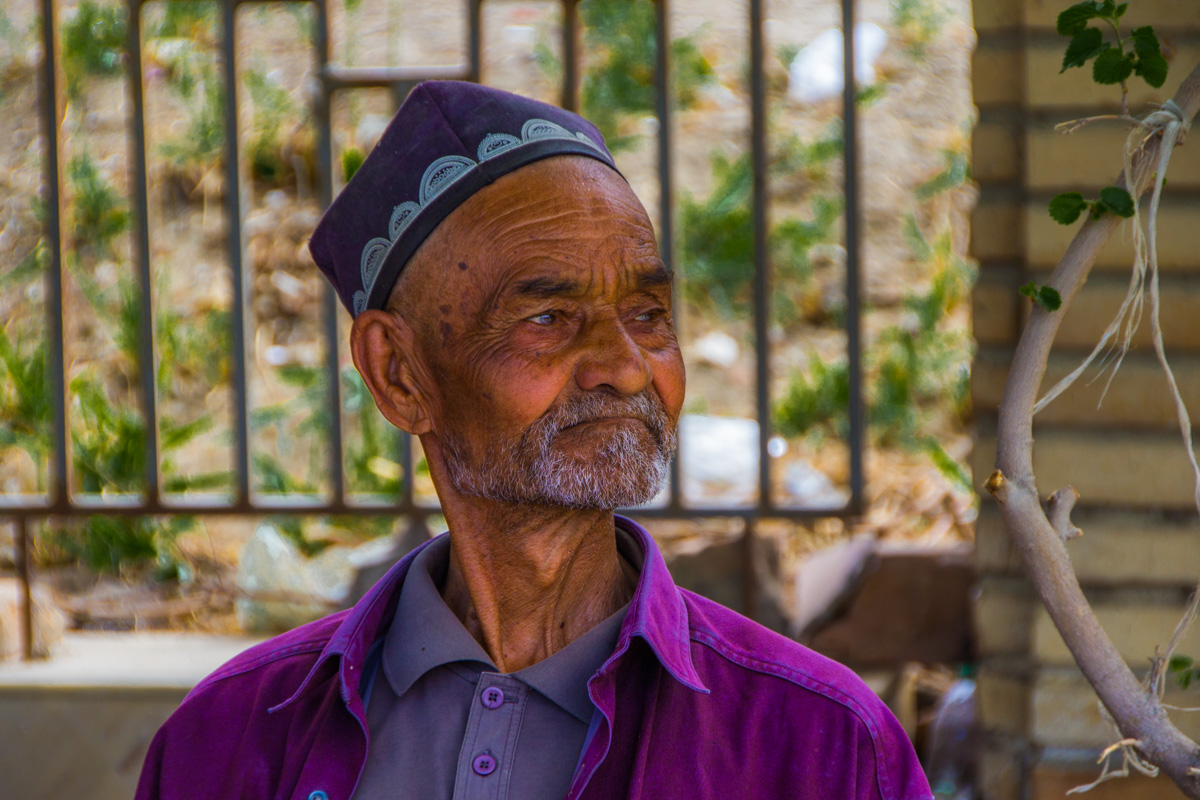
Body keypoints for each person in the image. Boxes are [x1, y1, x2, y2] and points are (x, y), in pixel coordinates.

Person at [135, 80, 932, 800]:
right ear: (401, 374)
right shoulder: (232, 741)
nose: (625, 366)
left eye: (648, 316)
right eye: (548, 319)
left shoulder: (821, 746)